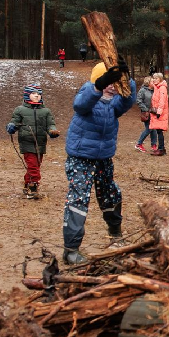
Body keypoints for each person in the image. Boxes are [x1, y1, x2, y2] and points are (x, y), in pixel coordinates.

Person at [61, 61, 136, 265]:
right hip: (81, 157)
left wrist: (128, 79)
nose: (113, 86)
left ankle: (115, 235)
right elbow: (80, 105)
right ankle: (71, 250)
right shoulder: (88, 92)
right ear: (99, 80)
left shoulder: (114, 102)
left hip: (104, 158)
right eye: (109, 81)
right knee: (79, 198)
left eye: (116, 82)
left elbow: (129, 100)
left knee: (110, 194)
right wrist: (97, 87)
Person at [6, 84, 59, 199]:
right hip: (26, 141)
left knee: (36, 165)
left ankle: (27, 182)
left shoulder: (46, 111)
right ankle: (33, 187)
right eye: (34, 93)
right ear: (27, 95)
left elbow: (50, 124)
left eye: (39, 94)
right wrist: (12, 127)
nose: (37, 96)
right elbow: (15, 121)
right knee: (33, 165)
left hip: (40, 142)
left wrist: (52, 131)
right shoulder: (20, 110)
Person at [149, 72, 169, 156]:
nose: (154, 79)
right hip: (157, 111)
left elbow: (162, 101)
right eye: (154, 78)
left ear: (160, 79)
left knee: (159, 130)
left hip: (160, 112)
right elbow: (149, 83)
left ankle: (161, 149)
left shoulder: (162, 88)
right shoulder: (157, 87)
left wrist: (159, 112)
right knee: (158, 130)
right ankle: (161, 148)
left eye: (156, 78)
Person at [135, 76, 155, 152]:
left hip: (153, 112)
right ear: (148, 83)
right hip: (146, 112)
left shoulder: (154, 90)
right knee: (149, 128)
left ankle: (153, 145)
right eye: (152, 81)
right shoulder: (142, 90)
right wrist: (146, 109)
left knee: (154, 129)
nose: (154, 83)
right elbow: (138, 101)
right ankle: (139, 144)